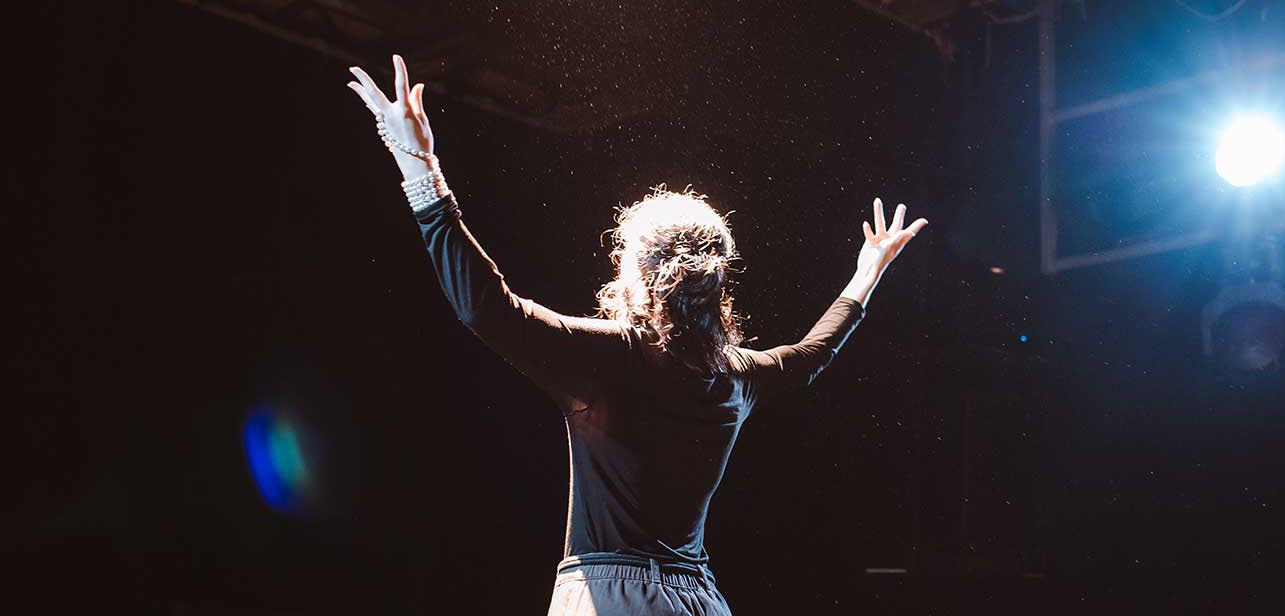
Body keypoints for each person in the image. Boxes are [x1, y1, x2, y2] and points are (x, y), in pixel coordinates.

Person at [346, 55, 927, 616]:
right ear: (717, 285)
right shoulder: (734, 377)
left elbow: (487, 308)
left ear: (637, 274)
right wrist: (865, 275)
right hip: (699, 599)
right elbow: (811, 354)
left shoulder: (612, 358)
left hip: (612, 597)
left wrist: (419, 166)